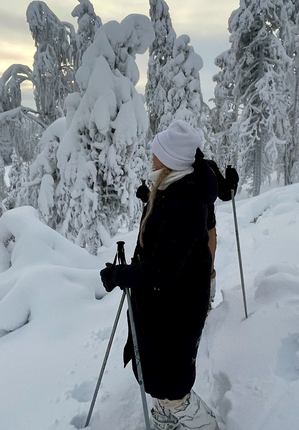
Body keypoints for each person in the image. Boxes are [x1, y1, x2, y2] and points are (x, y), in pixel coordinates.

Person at [100, 120, 220, 430]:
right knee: (158, 370)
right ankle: (166, 418)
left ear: (169, 160)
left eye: (156, 153)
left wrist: (119, 276)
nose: (151, 157)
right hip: (164, 305)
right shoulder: (175, 188)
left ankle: (205, 425)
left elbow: (160, 270)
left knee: (171, 385)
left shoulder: (185, 204)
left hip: (175, 308)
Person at [136, 151, 238, 309]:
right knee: (206, 267)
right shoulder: (208, 167)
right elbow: (226, 194)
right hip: (207, 228)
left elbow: (166, 199)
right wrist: (232, 182)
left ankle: (196, 305)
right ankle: (206, 302)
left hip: (182, 229)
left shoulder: (173, 169)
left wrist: (148, 197)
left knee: (182, 268)